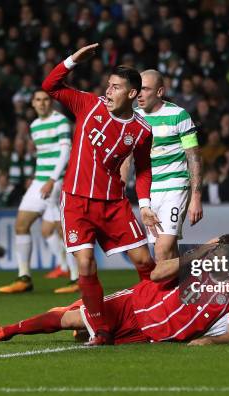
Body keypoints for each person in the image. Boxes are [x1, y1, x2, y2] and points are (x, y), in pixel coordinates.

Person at [41, 43, 162, 345]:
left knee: (144, 261)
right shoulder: (88, 104)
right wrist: (71, 60)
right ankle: (101, 331)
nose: (108, 91)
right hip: (77, 201)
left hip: (113, 204)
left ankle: (158, 313)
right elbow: (50, 86)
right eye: (108, 85)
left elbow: (144, 170)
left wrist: (144, 205)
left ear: (132, 94)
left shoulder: (142, 130)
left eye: (116, 87)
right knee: (85, 264)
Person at [0, 234, 229, 346]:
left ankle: (83, 323)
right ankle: (6, 331)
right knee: (70, 320)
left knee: (86, 336)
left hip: (149, 336)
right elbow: (155, 273)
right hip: (134, 305)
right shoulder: (194, 264)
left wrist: (212, 341)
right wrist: (198, 252)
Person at [0, 90, 79, 295]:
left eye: (45, 100)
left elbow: (66, 152)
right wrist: (38, 179)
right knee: (21, 224)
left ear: (50, 102)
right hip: (40, 182)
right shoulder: (34, 126)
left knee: (62, 230)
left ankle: (76, 278)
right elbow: (43, 156)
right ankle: (24, 277)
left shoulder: (60, 121)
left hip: (58, 181)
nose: (42, 104)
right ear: (32, 103)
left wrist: (52, 179)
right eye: (38, 100)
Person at [132, 69, 203, 261]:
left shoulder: (179, 116)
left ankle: (163, 291)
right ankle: (185, 285)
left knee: (162, 249)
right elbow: (126, 158)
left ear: (160, 91)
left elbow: (194, 158)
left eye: (145, 89)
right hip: (149, 191)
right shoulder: (133, 118)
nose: (139, 93)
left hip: (175, 187)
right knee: (168, 252)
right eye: (138, 88)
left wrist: (196, 196)